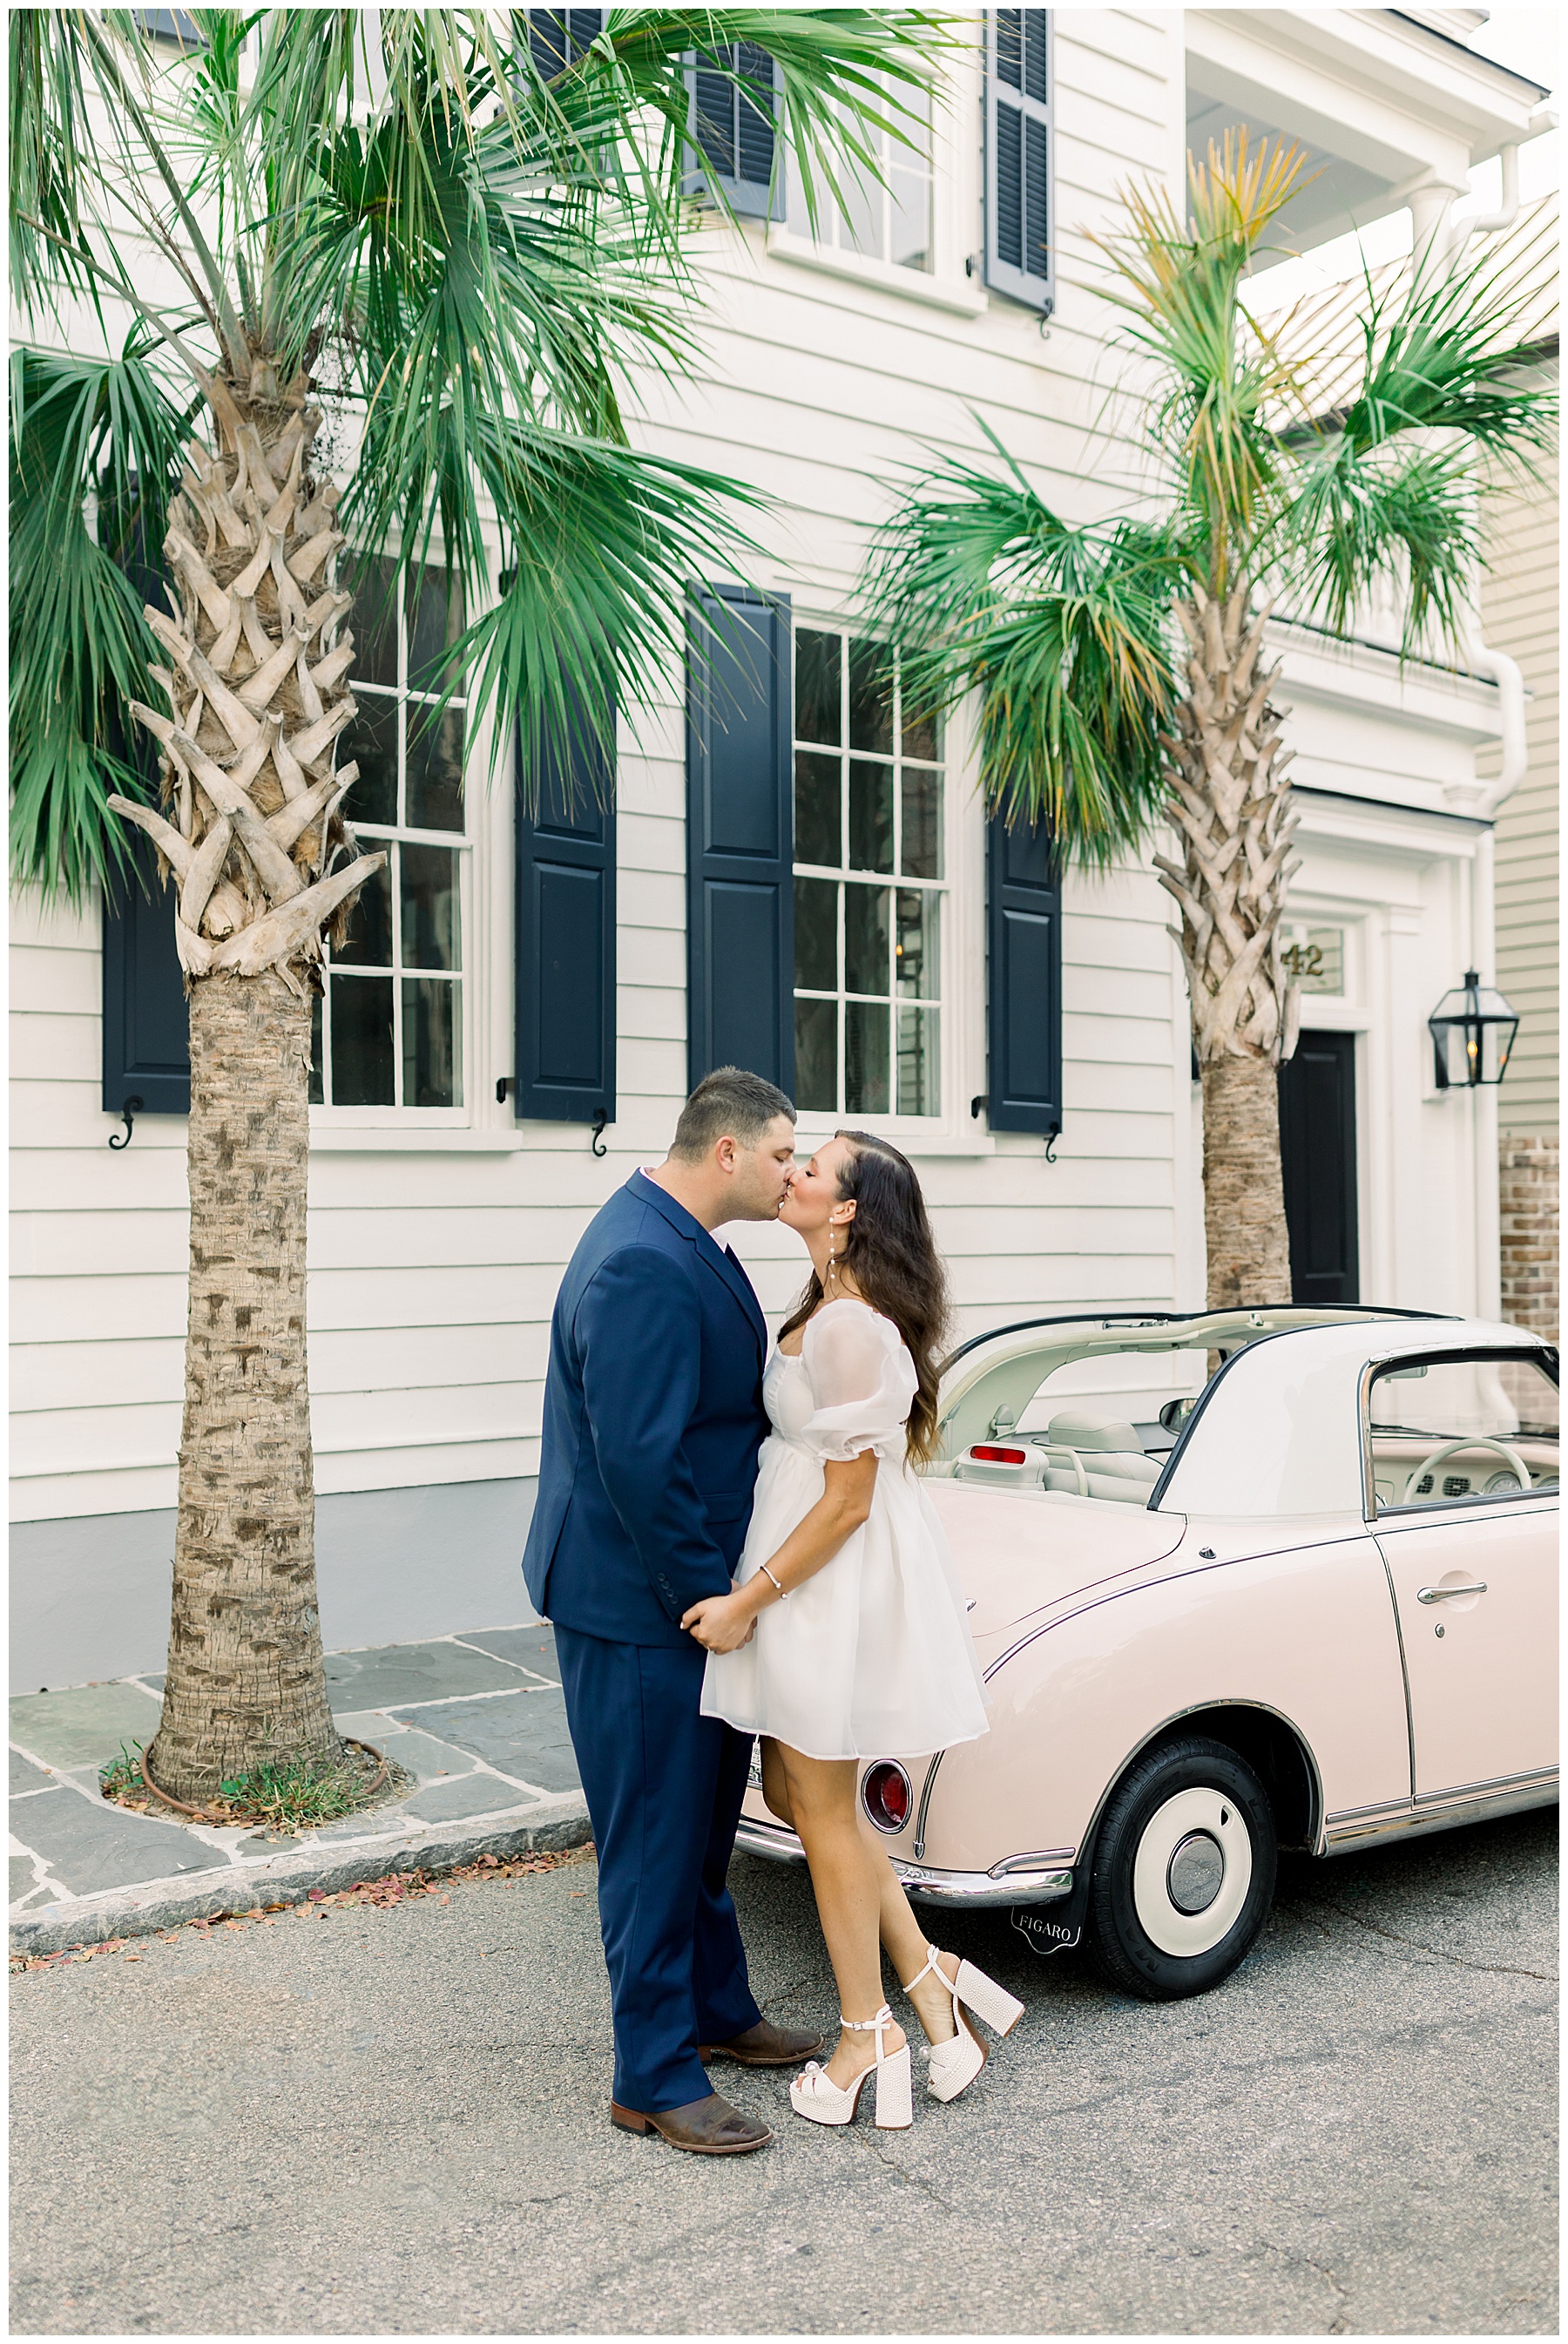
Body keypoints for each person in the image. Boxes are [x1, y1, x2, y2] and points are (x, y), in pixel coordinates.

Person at [690, 1132, 1024, 2130]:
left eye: (812, 1168)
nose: (789, 1171)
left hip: (823, 1580)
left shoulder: (850, 1330)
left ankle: (862, 2030)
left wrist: (749, 1599)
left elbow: (845, 1500)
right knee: (796, 1787)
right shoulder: (823, 1309)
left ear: (847, 1212)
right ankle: (930, 1981)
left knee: (822, 1803)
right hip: (812, 1567)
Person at [523, 1069, 823, 2157]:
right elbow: (640, 1461)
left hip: (686, 1602)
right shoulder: (646, 1259)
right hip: (645, 1606)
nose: (797, 1170)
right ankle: (651, 2074)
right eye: (786, 1151)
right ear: (730, 1150)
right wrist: (713, 1598)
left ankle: (715, 2008)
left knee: (699, 1828)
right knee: (653, 1838)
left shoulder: (684, 1234)